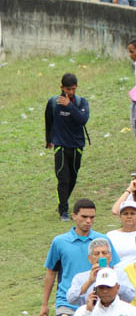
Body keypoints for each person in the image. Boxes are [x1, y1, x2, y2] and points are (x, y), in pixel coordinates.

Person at [41, 200, 112, 316]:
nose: (88, 221)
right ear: (74, 216)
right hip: (67, 304)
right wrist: (44, 304)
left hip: (96, 303)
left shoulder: (103, 241)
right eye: (84, 217)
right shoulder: (59, 242)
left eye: (92, 217)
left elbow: (113, 268)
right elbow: (51, 272)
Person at [45, 73, 90, 221]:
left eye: (74, 89)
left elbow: (82, 120)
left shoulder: (81, 103)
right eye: (68, 89)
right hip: (61, 146)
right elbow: (49, 121)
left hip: (76, 146)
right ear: (62, 88)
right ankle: (63, 211)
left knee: (72, 178)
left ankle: (62, 202)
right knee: (63, 179)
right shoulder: (53, 103)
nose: (71, 92)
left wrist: (69, 106)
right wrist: (49, 140)